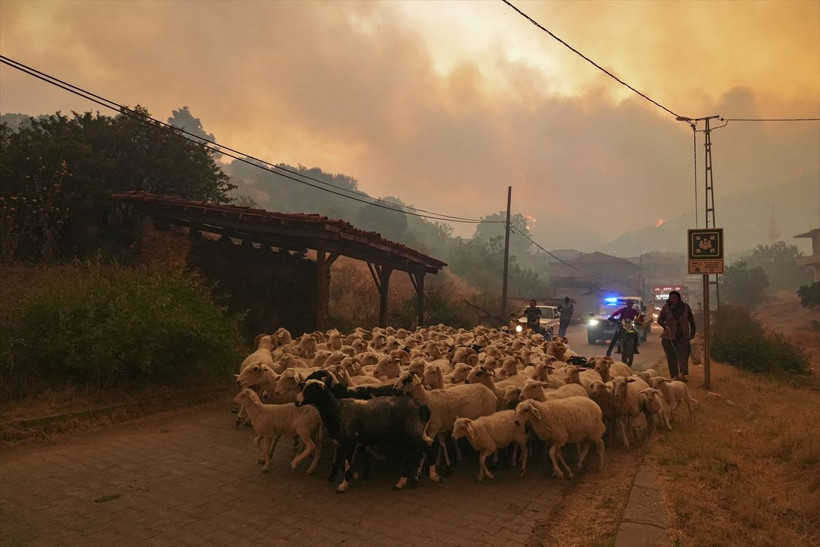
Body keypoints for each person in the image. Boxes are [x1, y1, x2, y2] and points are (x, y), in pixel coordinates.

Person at [656, 290, 696, 381]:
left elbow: (691, 320)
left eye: (675, 298)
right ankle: (674, 376)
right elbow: (659, 320)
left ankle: (683, 375)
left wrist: (692, 333)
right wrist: (665, 326)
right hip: (669, 337)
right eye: (671, 298)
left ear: (678, 298)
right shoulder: (666, 308)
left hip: (683, 336)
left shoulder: (686, 307)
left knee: (683, 356)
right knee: (671, 358)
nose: (673, 299)